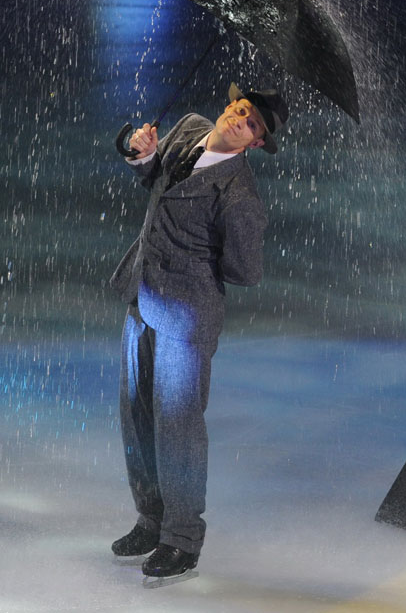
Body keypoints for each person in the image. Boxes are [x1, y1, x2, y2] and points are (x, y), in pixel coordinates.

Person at [109, 83, 289, 579]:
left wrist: (192, 259)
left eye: (252, 122)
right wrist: (141, 155)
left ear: (256, 143)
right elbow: (154, 179)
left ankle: (183, 539)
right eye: (242, 108)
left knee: (179, 428)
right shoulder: (189, 128)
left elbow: (245, 270)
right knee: (137, 416)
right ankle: (152, 518)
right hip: (142, 295)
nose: (240, 118)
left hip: (187, 315)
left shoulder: (240, 195)